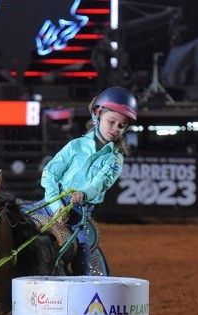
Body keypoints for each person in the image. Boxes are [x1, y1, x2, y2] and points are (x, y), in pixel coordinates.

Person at [37, 86, 137, 276]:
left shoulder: (115, 159)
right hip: (51, 202)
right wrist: (56, 205)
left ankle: (82, 282)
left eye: (121, 126)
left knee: (82, 251)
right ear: (98, 115)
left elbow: (99, 184)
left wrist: (83, 195)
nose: (115, 129)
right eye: (111, 122)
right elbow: (50, 173)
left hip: (79, 213)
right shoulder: (75, 146)